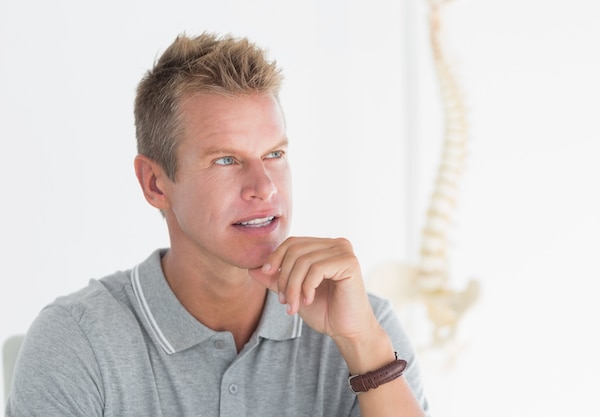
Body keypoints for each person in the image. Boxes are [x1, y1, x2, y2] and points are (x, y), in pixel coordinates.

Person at [6, 32, 429, 417]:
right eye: (226, 160)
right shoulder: (77, 341)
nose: (264, 187)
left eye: (274, 155)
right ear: (155, 184)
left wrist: (364, 346)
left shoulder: (362, 324)